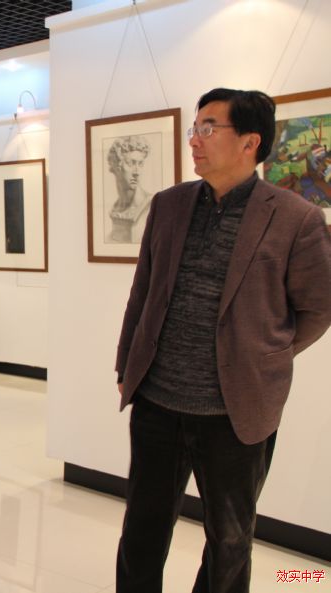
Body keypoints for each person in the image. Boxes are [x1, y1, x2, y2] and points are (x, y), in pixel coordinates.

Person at [115, 88, 331, 592]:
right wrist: (127, 365)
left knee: (229, 542)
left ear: (250, 143)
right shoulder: (168, 205)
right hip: (157, 403)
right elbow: (142, 292)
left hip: (236, 413)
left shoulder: (295, 218)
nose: (194, 139)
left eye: (208, 129)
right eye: (195, 128)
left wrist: (265, 355)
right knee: (142, 531)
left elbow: (319, 308)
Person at [106, 135, 153, 243]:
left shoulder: (150, 204)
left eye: (140, 164)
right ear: (116, 165)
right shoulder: (115, 207)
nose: (137, 172)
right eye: (131, 163)